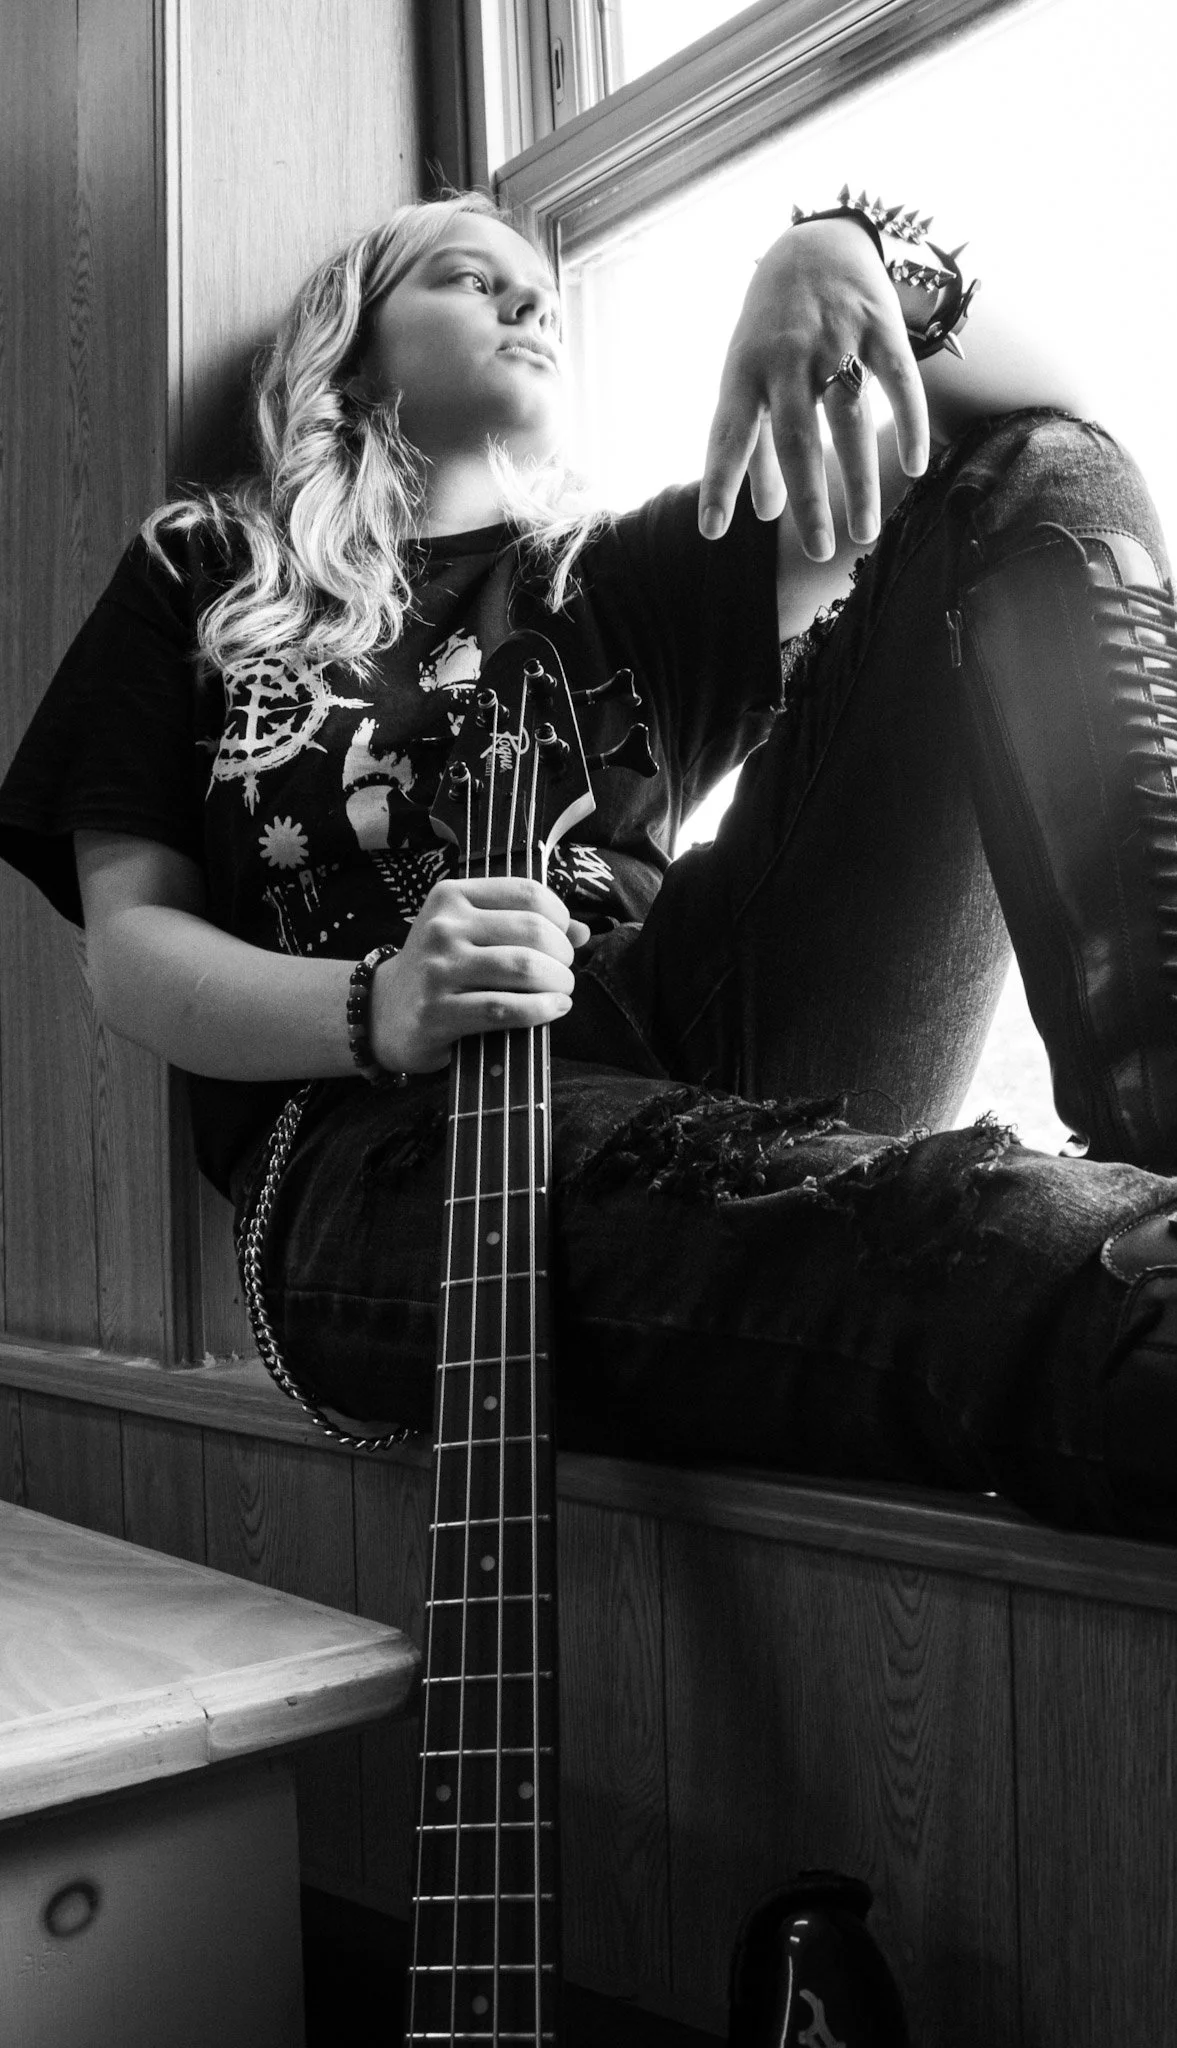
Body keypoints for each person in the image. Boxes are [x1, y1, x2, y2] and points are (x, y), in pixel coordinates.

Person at [2, 188, 1177, 1542]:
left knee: (1037, 468)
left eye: (541, 290)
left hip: (691, 1031)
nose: (527, 303)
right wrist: (377, 1006)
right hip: (383, 1142)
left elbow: (1056, 457)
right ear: (354, 339)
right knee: (982, 1253)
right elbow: (131, 951)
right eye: (465, 277)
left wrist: (851, 257)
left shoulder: (613, 583)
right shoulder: (204, 573)